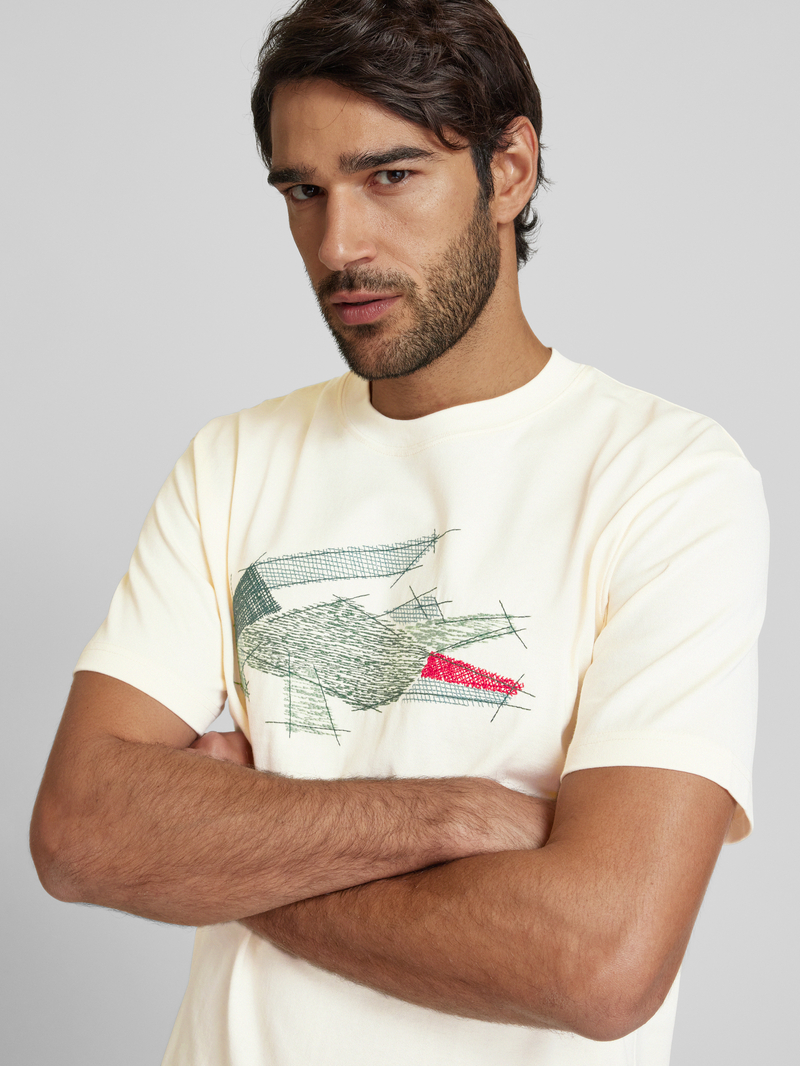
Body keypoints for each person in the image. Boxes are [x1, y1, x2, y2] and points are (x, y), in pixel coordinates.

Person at [30, 1, 768, 1063]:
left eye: (389, 175)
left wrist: (224, 846)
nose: (339, 246)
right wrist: (453, 816)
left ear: (508, 170)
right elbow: (79, 832)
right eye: (303, 192)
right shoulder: (232, 462)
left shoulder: (667, 481)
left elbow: (600, 962)